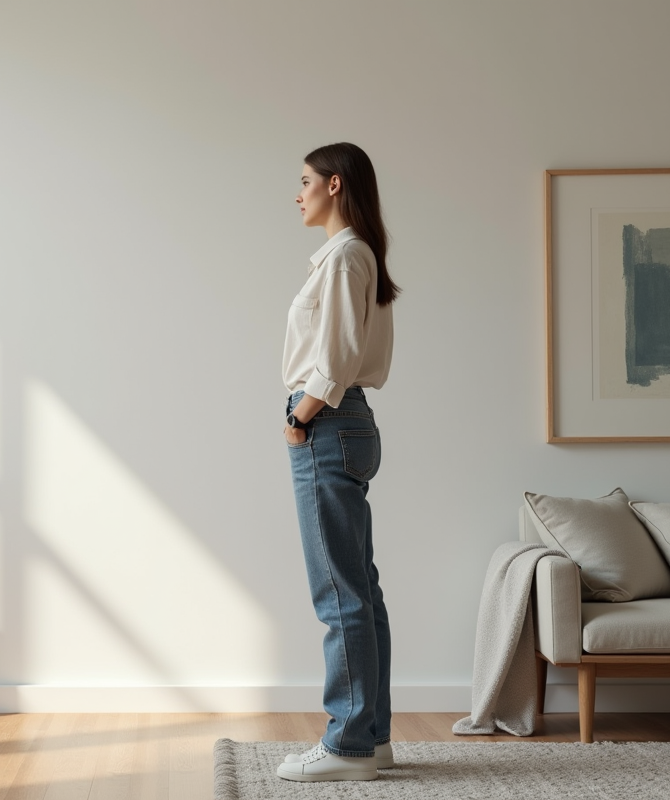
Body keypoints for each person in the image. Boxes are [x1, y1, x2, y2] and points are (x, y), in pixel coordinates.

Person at [276, 142, 401, 783]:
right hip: (345, 423)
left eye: (303, 182)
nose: (296, 194)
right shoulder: (355, 255)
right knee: (359, 588)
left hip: (327, 421)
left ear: (333, 183)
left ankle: (349, 743)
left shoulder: (346, 255)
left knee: (340, 593)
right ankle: (371, 736)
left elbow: (335, 357)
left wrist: (300, 419)